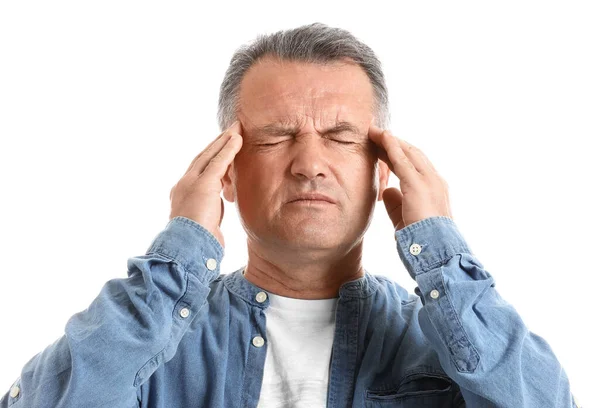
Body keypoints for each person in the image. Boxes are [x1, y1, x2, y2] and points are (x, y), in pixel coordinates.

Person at [1, 22, 580, 408]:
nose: (310, 164)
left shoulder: (444, 346)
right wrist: (178, 253)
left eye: (341, 138)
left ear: (384, 173)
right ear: (224, 170)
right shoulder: (151, 339)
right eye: (277, 137)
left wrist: (443, 257)